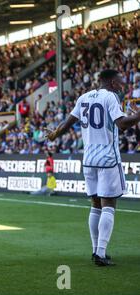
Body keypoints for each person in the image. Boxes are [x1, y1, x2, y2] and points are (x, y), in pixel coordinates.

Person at [46, 69, 140, 267]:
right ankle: (101, 253)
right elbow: (122, 124)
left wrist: (55, 134)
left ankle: (95, 249)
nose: (122, 84)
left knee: (95, 205)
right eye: (120, 81)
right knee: (108, 206)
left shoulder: (84, 97)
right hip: (107, 159)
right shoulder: (111, 97)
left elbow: (69, 122)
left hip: (88, 159)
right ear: (113, 83)